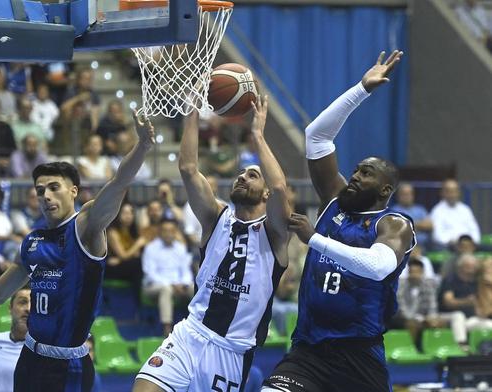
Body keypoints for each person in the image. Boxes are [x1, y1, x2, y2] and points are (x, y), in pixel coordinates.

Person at [0, 110, 155, 391]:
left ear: (73, 191)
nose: (45, 195)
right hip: (31, 356)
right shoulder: (33, 241)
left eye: (53, 187)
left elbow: (119, 182)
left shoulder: (86, 225)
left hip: (70, 363)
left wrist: (143, 145)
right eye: (39, 190)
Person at [262, 50, 416, 392]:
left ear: (386, 189)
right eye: (357, 169)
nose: (356, 177)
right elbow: (316, 135)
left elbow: (377, 266)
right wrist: (361, 90)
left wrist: (314, 239)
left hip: (359, 355)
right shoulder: (336, 200)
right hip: (308, 349)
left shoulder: (394, 224)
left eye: (367, 173)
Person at [134, 95, 291, 391]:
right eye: (241, 174)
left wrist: (257, 135)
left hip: (231, 351)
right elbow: (188, 169)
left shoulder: (275, 233)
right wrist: (192, 111)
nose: (243, 177)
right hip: (190, 334)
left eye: (252, 175)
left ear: (266, 193)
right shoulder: (215, 217)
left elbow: (281, 186)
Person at [141, 218, 194, 336]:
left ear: (175, 232)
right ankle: (167, 328)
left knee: (194, 288)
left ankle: (198, 324)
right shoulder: (151, 248)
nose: (168, 233)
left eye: (171, 230)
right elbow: (150, 273)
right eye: (165, 230)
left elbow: (186, 271)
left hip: (178, 286)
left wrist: (183, 283)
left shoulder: (180, 248)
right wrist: (172, 284)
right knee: (166, 289)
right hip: (153, 286)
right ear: (160, 232)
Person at [429, 179, 481, 249]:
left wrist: (473, 241)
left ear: (458, 192)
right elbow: (437, 236)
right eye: (449, 191)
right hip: (450, 246)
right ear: (442, 193)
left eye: (454, 191)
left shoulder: (465, 209)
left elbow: (474, 230)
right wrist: (453, 241)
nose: (452, 194)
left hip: (469, 244)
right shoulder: (437, 211)